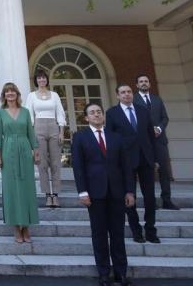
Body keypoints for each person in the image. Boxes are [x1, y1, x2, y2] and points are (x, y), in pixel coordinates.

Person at [72, 102, 136, 286]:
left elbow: (126, 167)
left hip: (117, 192)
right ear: (86, 118)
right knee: (99, 234)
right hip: (94, 193)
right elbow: (78, 167)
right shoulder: (80, 137)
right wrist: (82, 192)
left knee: (118, 233)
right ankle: (103, 273)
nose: (97, 115)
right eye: (92, 113)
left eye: (99, 112)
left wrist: (130, 191)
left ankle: (120, 273)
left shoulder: (116, 137)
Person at [106, 84, 159, 244]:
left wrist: (155, 159)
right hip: (125, 161)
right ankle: (136, 230)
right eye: (123, 92)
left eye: (129, 92)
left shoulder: (143, 111)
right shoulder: (112, 113)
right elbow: (110, 139)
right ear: (117, 96)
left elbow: (151, 136)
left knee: (150, 197)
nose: (127, 95)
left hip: (146, 159)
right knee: (130, 197)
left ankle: (150, 230)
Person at [0, 82, 39, 244]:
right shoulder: (0, 113)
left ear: (17, 94)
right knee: (11, 188)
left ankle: (26, 226)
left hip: (25, 149)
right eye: (7, 92)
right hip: (8, 150)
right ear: (4, 95)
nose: (10, 94)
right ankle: (15, 228)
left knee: (27, 187)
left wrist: (36, 150)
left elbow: (31, 132)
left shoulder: (25, 112)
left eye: (13, 91)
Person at [134, 74, 178, 210]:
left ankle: (166, 200)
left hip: (159, 141)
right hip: (144, 142)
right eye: (141, 82)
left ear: (149, 84)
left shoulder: (157, 99)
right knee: (147, 172)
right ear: (137, 85)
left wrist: (159, 128)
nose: (144, 83)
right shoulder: (133, 100)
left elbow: (165, 118)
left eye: (146, 81)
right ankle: (151, 201)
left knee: (164, 171)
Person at [24, 70, 66, 208]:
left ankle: (56, 195)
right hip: (38, 127)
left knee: (55, 163)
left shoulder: (54, 95)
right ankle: (47, 195)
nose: (42, 80)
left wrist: (61, 132)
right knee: (41, 163)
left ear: (47, 80)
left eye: (43, 78)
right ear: (36, 80)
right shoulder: (31, 96)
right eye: (39, 78)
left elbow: (60, 112)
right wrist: (30, 135)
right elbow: (29, 115)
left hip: (53, 126)